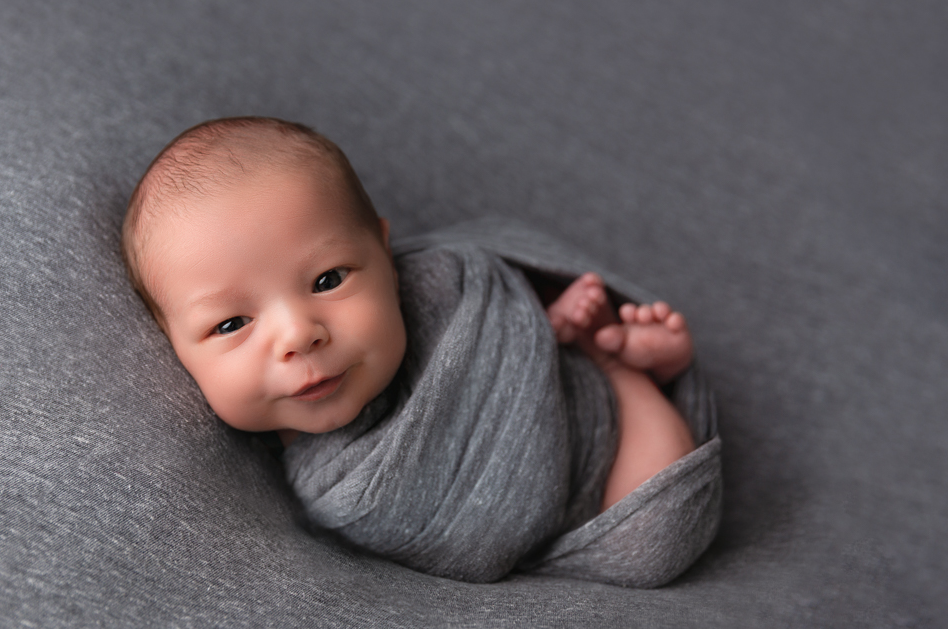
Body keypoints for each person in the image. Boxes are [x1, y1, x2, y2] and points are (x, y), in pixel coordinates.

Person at [121, 116, 714, 584]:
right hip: (595, 485)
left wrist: (531, 315)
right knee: (653, 543)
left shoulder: (440, 283)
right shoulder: (338, 487)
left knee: (667, 526)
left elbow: (492, 294)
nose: (299, 335)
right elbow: (476, 534)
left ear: (383, 252)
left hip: (580, 395)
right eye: (230, 324)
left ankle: (614, 363)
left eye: (328, 279)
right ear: (174, 346)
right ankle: (615, 362)